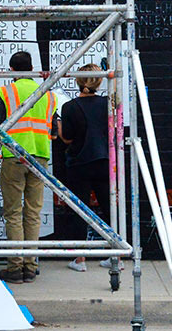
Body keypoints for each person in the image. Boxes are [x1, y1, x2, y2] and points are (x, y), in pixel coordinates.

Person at [0, 50, 58, 284]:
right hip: (40, 156)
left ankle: (15, 267)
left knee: (13, 213)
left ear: (12, 70)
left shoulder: (6, 92)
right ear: (31, 69)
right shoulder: (48, 95)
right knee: (33, 213)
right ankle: (30, 267)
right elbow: (53, 126)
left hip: (13, 156)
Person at [59, 65, 111, 272]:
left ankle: (80, 259)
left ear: (78, 82)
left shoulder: (70, 107)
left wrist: (60, 126)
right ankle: (115, 255)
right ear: (99, 82)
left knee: (80, 209)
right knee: (110, 208)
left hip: (80, 163)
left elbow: (67, 138)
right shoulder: (108, 103)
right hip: (105, 160)